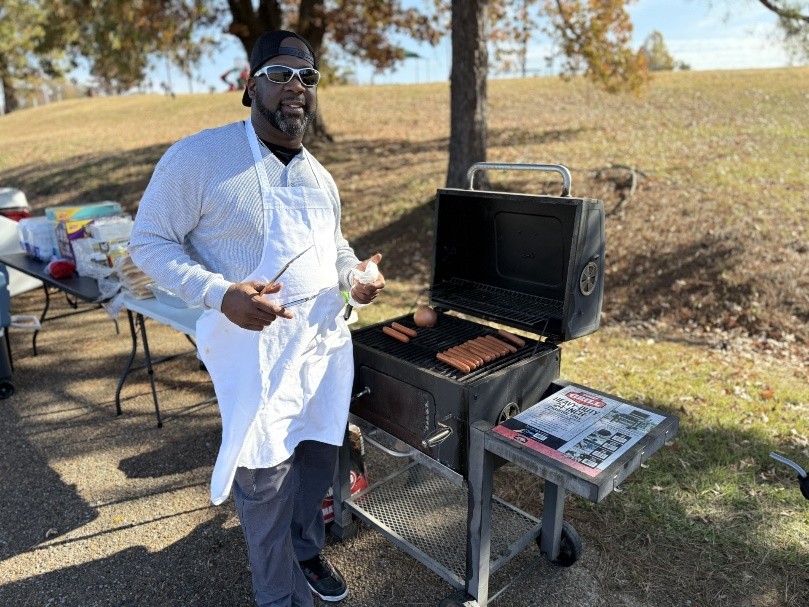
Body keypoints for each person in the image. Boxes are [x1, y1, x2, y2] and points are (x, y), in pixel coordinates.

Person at [128, 30, 385, 607]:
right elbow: (148, 243)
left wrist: (355, 277)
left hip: (320, 349)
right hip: (256, 353)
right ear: (250, 87)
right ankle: (277, 593)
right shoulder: (201, 157)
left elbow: (335, 245)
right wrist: (219, 294)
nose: (296, 86)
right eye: (279, 73)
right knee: (264, 475)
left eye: (308, 77)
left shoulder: (320, 176)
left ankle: (306, 550)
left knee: (318, 457)